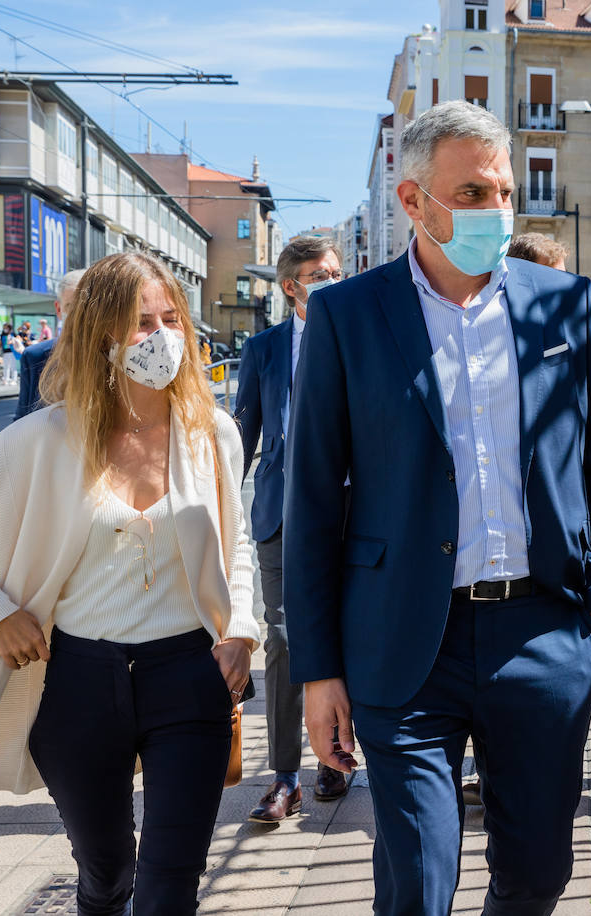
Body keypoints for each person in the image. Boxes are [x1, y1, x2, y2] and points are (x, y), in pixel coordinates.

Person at [283, 100, 591, 916]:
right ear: (414, 201)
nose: (496, 211)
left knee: (538, 872)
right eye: (473, 194)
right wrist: (318, 670)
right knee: (416, 877)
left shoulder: (566, 304)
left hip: (543, 633)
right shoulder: (347, 314)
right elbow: (311, 500)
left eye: (505, 192)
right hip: (402, 639)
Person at [0, 251, 259, 915]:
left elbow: (234, 538)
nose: (162, 336)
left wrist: (240, 630)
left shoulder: (211, 433)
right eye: (140, 323)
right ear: (99, 333)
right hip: (75, 682)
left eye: (170, 319)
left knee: (170, 884)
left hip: (189, 677)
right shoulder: (43, 439)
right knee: (107, 874)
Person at [234, 235, 352, 823]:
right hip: (280, 517)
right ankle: (284, 776)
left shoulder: (361, 338)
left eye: (335, 271)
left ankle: (336, 757)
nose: (331, 280)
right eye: (317, 274)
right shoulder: (264, 349)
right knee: (281, 640)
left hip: (354, 515)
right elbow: (242, 441)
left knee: (348, 637)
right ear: (290, 287)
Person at [17, 270, 86, 420]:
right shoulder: (35, 357)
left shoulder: (116, 356)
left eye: (85, 307)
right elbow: (21, 422)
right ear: (59, 309)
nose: (78, 315)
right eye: (71, 307)